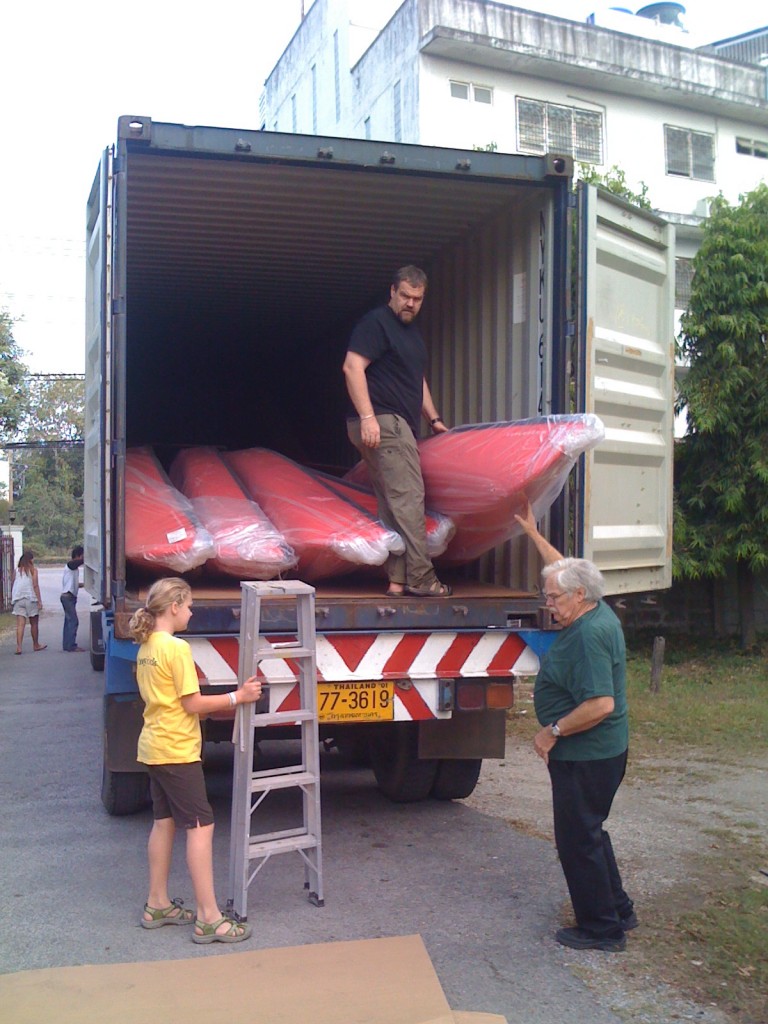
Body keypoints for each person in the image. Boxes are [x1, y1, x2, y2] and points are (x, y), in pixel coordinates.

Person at [515, 504, 635, 953]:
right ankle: (619, 909)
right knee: (591, 830)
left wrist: (553, 732)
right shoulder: (592, 604)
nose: (549, 604)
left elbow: (600, 704)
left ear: (579, 596)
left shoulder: (588, 634)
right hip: (599, 754)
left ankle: (602, 930)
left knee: (577, 840)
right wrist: (532, 532)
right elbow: (565, 571)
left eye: (554, 598)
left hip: (587, 755)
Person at [129, 577, 263, 944]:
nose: (190, 612)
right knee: (201, 827)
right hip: (177, 751)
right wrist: (239, 697)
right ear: (173, 607)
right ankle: (209, 917)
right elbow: (192, 704)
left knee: (163, 822)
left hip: (154, 747)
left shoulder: (145, 647)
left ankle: (157, 903)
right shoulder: (176, 648)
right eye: (188, 606)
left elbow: (166, 701)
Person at [343, 265, 451, 598]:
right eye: (405, 296)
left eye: (417, 299)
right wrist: (368, 417)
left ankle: (398, 580)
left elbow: (415, 380)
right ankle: (422, 577)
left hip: (393, 422)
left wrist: (433, 420)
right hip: (384, 422)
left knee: (392, 503)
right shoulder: (376, 323)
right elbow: (352, 366)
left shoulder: (412, 335)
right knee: (409, 501)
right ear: (392, 292)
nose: (410, 304)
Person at [11, 550, 47, 655]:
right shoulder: (33, 571)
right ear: (30, 561)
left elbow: (14, 583)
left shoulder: (16, 571)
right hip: (30, 598)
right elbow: (35, 585)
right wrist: (39, 601)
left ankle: (19, 647)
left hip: (18, 599)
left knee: (20, 624)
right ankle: (36, 645)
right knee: (34, 623)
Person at [60, 544, 85, 652]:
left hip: (69, 597)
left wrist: (81, 585)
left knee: (68, 621)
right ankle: (71, 645)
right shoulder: (70, 565)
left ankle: (67, 645)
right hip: (68, 597)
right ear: (78, 556)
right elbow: (76, 563)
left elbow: (71, 582)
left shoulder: (73, 569)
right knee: (74, 621)